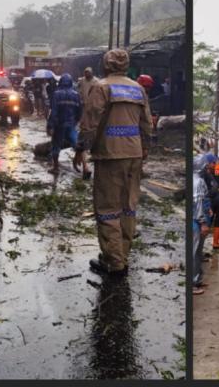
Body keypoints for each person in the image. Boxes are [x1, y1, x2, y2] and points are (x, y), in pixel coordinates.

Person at [74, 49, 152, 278]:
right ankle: (122, 255)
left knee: (108, 209)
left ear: (105, 65)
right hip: (134, 154)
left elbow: (90, 122)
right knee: (128, 206)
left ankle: (113, 261)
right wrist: (144, 148)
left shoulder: (102, 87)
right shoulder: (138, 88)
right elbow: (147, 123)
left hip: (109, 154)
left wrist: (80, 148)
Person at [47, 73, 82, 174]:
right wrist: (76, 121)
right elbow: (79, 111)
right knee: (76, 143)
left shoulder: (56, 94)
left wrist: (50, 125)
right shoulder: (76, 95)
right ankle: (78, 158)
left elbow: (53, 111)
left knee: (56, 145)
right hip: (71, 124)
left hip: (59, 125)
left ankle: (56, 167)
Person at [192, 154, 215, 295]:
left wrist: (209, 209)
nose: (208, 167)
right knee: (195, 253)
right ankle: (193, 283)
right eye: (206, 165)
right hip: (197, 222)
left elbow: (202, 200)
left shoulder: (197, 180)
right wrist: (203, 223)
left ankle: (198, 279)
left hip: (198, 219)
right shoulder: (198, 182)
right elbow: (198, 204)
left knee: (198, 252)